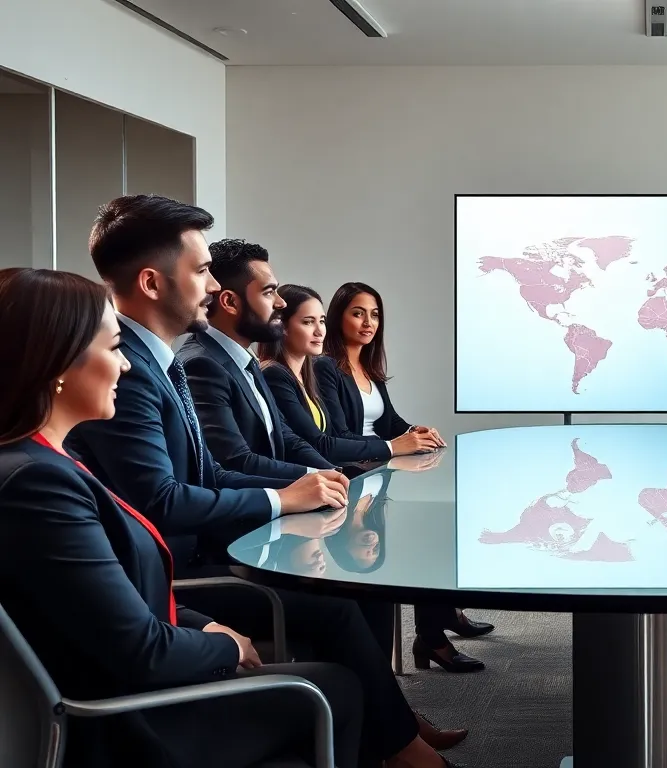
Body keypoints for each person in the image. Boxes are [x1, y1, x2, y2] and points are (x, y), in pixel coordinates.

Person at [62, 195, 466, 767]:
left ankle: (392, 733)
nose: (211, 288)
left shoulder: (164, 361)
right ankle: (401, 745)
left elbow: (211, 469)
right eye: (201, 271)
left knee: (350, 591)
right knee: (339, 603)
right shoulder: (133, 370)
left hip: (193, 558)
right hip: (188, 570)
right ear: (152, 283)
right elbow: (161, 500)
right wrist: (284, 497)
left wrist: (304, 486)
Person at [0, 267, 363, 768]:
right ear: (57, 361)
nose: (125, 365)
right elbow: (139, 649)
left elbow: (113, 596)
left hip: (140, 680)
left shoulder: (53, 462)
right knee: (335, 690)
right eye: (113, 348)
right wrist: (225, 647)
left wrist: (204, 624)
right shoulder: (38, 483)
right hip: (134, 724)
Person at [317, 281, 495, 667]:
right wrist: (394, 446)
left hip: (381, 473)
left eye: (375, 315)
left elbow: (390, 421)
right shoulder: (326, 367)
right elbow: (337, 437)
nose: (368, 322)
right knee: (423, 535)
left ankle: (443, 616)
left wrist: (417, 431)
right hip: (353, 478)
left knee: (440, 525)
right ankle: (432, 637)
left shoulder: (369, 366)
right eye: (358, 313)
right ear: (338, 318)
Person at [177, 239, 336, 480]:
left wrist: (331, 472)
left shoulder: (246, 359)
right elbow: (236, 461)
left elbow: (284, 435)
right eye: (269, 292)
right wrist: (315, 478)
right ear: (230, 302)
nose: (281, 303)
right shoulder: (202, 365)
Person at [257, 283, 439, 465]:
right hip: (334, 471)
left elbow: (389, 421)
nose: (319, 331)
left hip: (348, 468)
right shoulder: (281, 373)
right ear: (282, 327)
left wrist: (413, 434)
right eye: (308, 322)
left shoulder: (306, 374)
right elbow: (323, 443)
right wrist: (392, 446)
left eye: (322, 321)